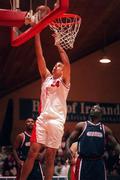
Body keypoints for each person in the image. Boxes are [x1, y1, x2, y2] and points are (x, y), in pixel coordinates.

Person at [20, 32, 71, 180]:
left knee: (50, 157)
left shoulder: (64, 81)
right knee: (32, 152)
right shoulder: (46, 78)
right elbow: (39, 55)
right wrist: (37, 32)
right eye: (55, 65)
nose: (56, 66)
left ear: (62, 71)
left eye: (58, 66)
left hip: (56, 120)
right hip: (42, 119)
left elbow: (67, 63)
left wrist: (59, 44)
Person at [65, 104, 120, 180]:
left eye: (96, 108)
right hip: (84, 162)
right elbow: (70, 139)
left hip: (99, 162)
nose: (93, 109)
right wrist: (67, 149)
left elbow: (115, 144)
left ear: (100, 114)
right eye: (92, 108)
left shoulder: (105, 129)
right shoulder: (82, 125)